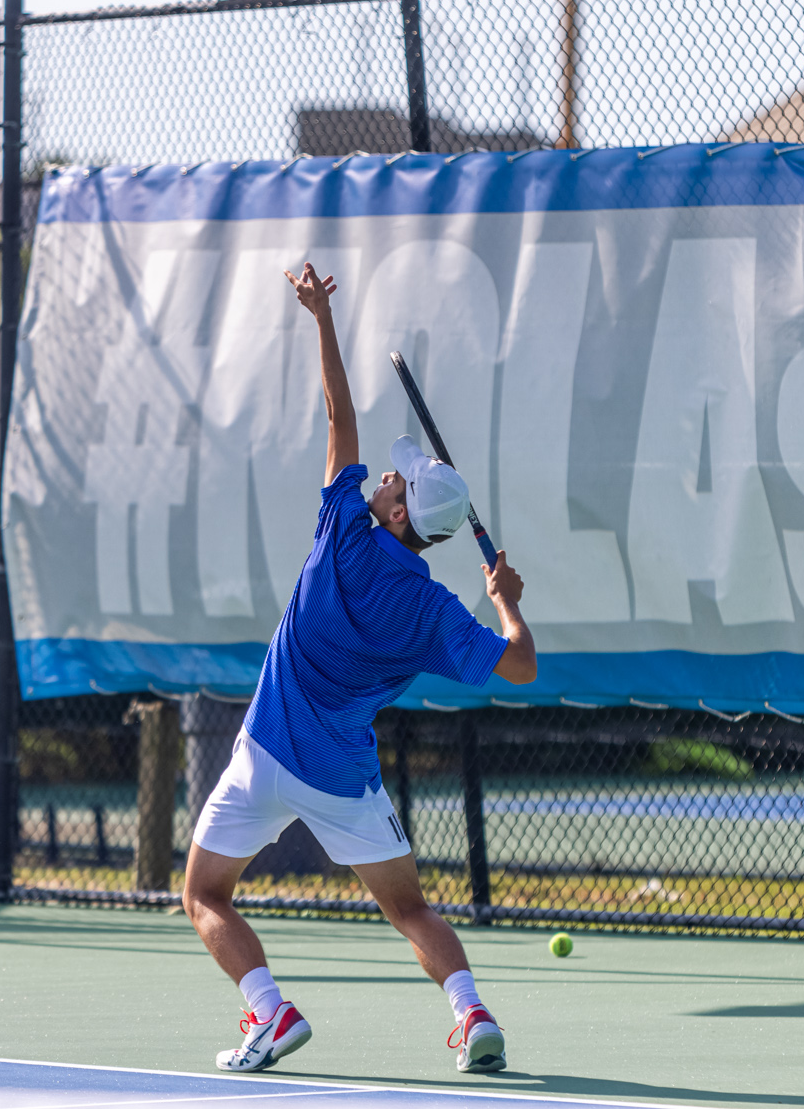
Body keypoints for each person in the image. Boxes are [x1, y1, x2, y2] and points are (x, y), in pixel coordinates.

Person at [180, 262, 537, 1077]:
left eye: (394, 479)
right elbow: (520, 663)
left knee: (204, 894)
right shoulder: (438, 612)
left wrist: (320, 318)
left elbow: (338, 410)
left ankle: (270, 1013)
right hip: (344, 778)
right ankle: (472, 1013)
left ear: (400, 509)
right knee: (410, 909)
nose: (382, 475)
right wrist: (507, 599)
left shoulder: (341, 523)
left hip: (264, 757)